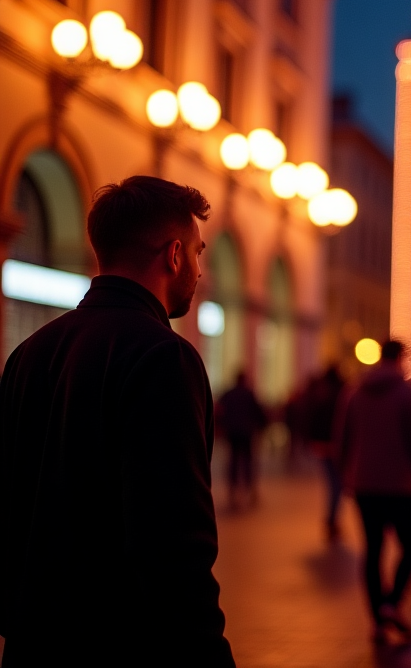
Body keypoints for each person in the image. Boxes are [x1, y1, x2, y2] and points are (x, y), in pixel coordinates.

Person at [0, 176, 234, 666]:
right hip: (120, 644)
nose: (199, 269)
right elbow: (174, 541)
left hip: (32, 641)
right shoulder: (164, 357)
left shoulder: (29, 353)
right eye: (197, 252)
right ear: (173, 256)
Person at [335, 340, 411, 646]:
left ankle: (378, 619)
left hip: (364, 484)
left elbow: (342, 436)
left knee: (372, 549)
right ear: (402, 359)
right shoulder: (410, 394)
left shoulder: (354, 392)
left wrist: (346, 474)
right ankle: (392, 602)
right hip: (403, 486)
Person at [303, 365, 346, 539]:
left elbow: (313, 420)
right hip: (337, 446)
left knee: (333, 483)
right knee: (337, 484)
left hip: (324, 446)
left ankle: (332, 518)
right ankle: (332, 518)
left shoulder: (322, 396)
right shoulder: (343, 396)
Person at [216, 370, 268, 510]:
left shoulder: (229, 394)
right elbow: (258, 412)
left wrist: (222, 426)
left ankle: (233, 491)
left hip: (232, 432)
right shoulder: (249, 394)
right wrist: (262, 426)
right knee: (247, 461)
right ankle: (249, 489)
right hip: (246, 432)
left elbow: (220, 410)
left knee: (233, 460)